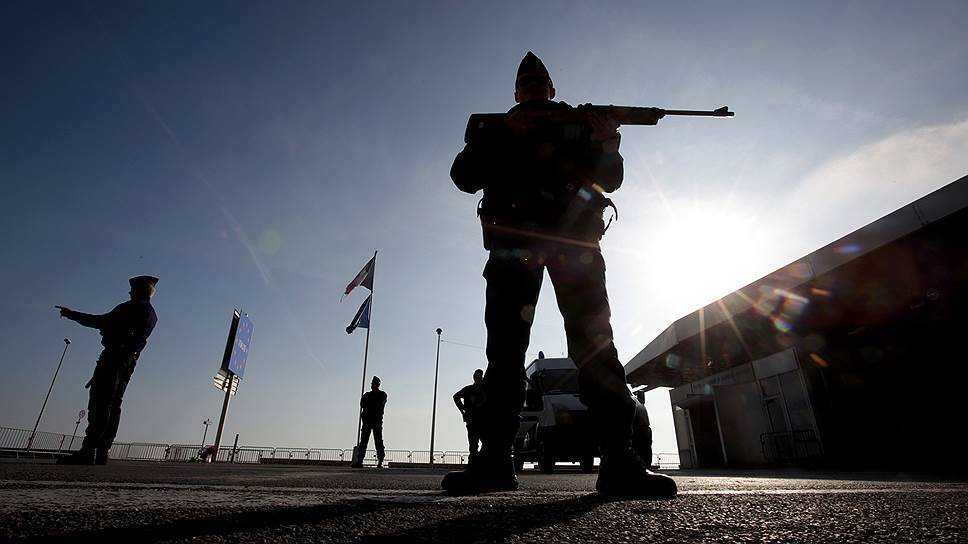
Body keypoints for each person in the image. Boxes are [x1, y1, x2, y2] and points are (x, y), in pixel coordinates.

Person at [442, 52, 677, 499]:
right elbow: (463, 177)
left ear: (552, 89)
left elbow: (609, 180)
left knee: (595, 347)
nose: (534, 86)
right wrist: (500, 137)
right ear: (516, 93)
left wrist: (608, 142)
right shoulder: (497, 129)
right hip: (514, 247)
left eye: (540, 81)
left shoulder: (579, 124)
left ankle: (619, 459)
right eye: (526, 81)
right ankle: (495, 459)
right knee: (505, 353)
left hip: (575, 247)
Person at [55, 275, 159, 465]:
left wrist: (72, 315)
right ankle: (103, 450)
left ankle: (89, 450)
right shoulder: (151, 314)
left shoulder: (129, 308)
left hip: (114, 357)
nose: (130, 292)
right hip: (129, 360)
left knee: (101, 401)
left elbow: (102, 321)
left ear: (139, 291)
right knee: (114, 403)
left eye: (133, 290)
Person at [351, 375, 387, 468]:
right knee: (363, 441)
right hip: (367, 421)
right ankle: (360, 460)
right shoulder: (367, 395)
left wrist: (370, 405)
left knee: (378, 441)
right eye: (372, 384)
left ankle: (380, 460)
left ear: (378, 385)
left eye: (374, 384)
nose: (372, 385)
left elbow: (379, 405)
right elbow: (362, 404)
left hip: (376, 421)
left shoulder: (382, 395)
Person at [453, 369, 486, 460]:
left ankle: (480, 461)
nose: (479, 378)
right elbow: (456, 397)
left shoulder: (485, 389)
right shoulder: (468, 389)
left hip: (483, 420)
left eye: (480, 376)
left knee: (485, 443)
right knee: (473, 445)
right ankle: (473, 463)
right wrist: (462, 409)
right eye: (477, 376)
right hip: (472, 420)